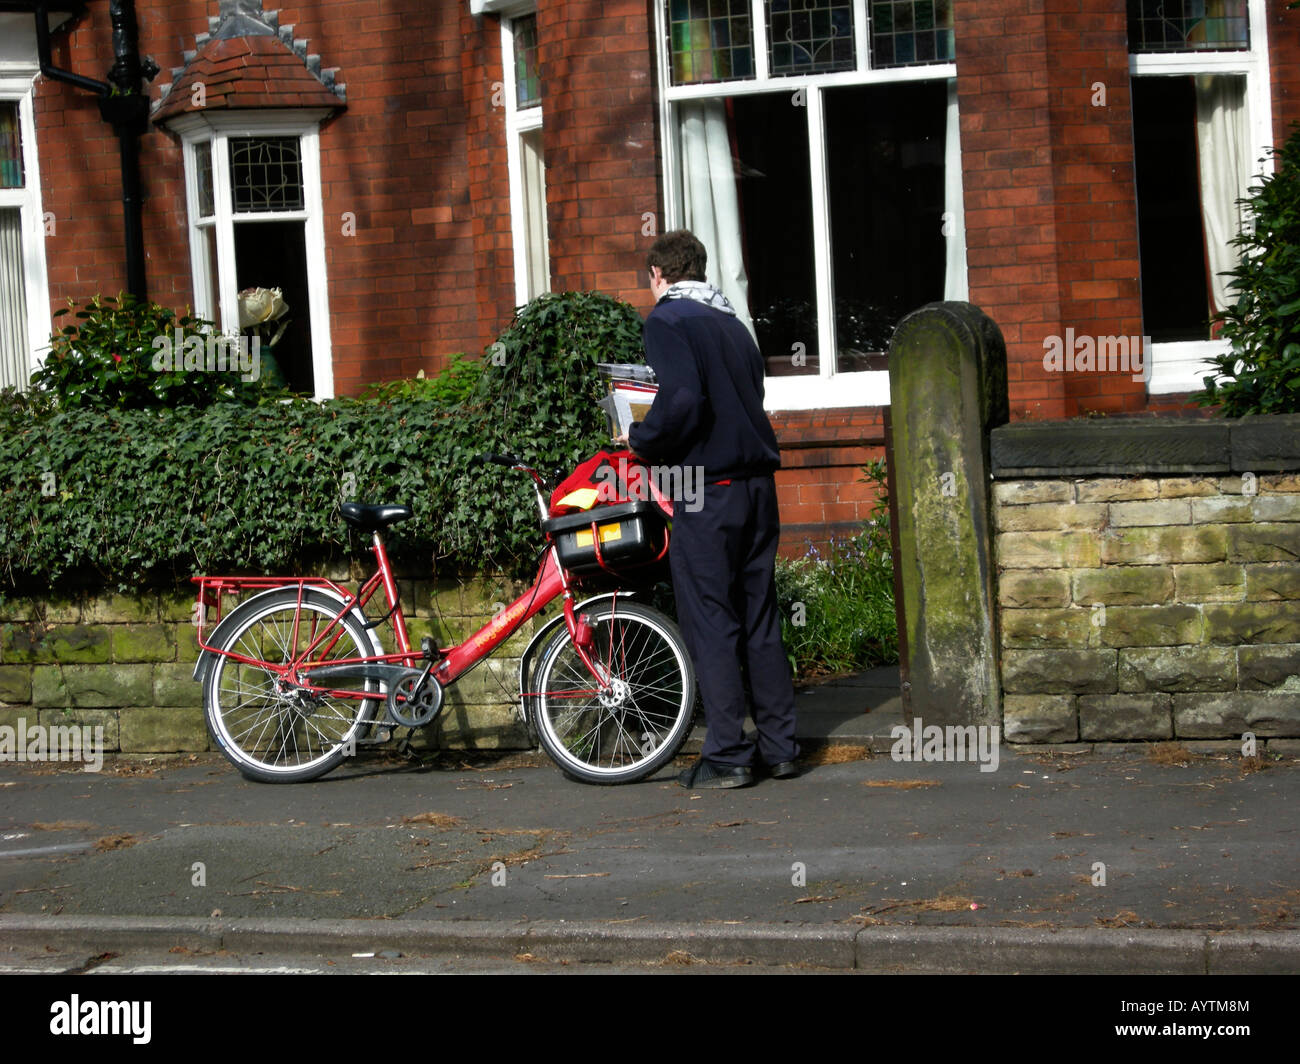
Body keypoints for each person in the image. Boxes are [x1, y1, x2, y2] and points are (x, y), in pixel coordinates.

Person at [624, 229, 800, 789]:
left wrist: (640, 439)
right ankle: (781, 747)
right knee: (760, 619)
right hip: (757, 488)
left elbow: (681, 402)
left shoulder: (667, 321)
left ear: (659, 275)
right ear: (699, 268)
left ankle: (727, 753)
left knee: (711, 622)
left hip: (706, 488)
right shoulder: (733, 325)